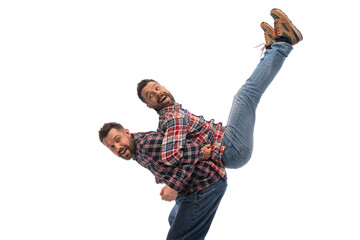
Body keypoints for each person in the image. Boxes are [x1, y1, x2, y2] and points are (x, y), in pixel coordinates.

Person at [137, 9, 302, 174]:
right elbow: (169, 157)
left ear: (164, 87)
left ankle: (272, 49)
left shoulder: (172, 115)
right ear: (149, 106)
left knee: (246, 96)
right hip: (231, 149)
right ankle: (283, 42)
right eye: (150, 95)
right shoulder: (172, 118)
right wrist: (199, 154)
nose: (157, 93)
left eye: (157, 88)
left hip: (227, 140)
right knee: (245, 96)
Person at [99, 122, 227, 240]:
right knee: (173, 219)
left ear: (126, 132)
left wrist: (173, 186)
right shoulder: (134, 149)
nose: (118, 147)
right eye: (111, 146)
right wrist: (162, 173)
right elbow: (167, 155)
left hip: (204, 184)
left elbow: (191, 150)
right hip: (187, 188)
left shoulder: (147, 144)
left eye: (118, 139)